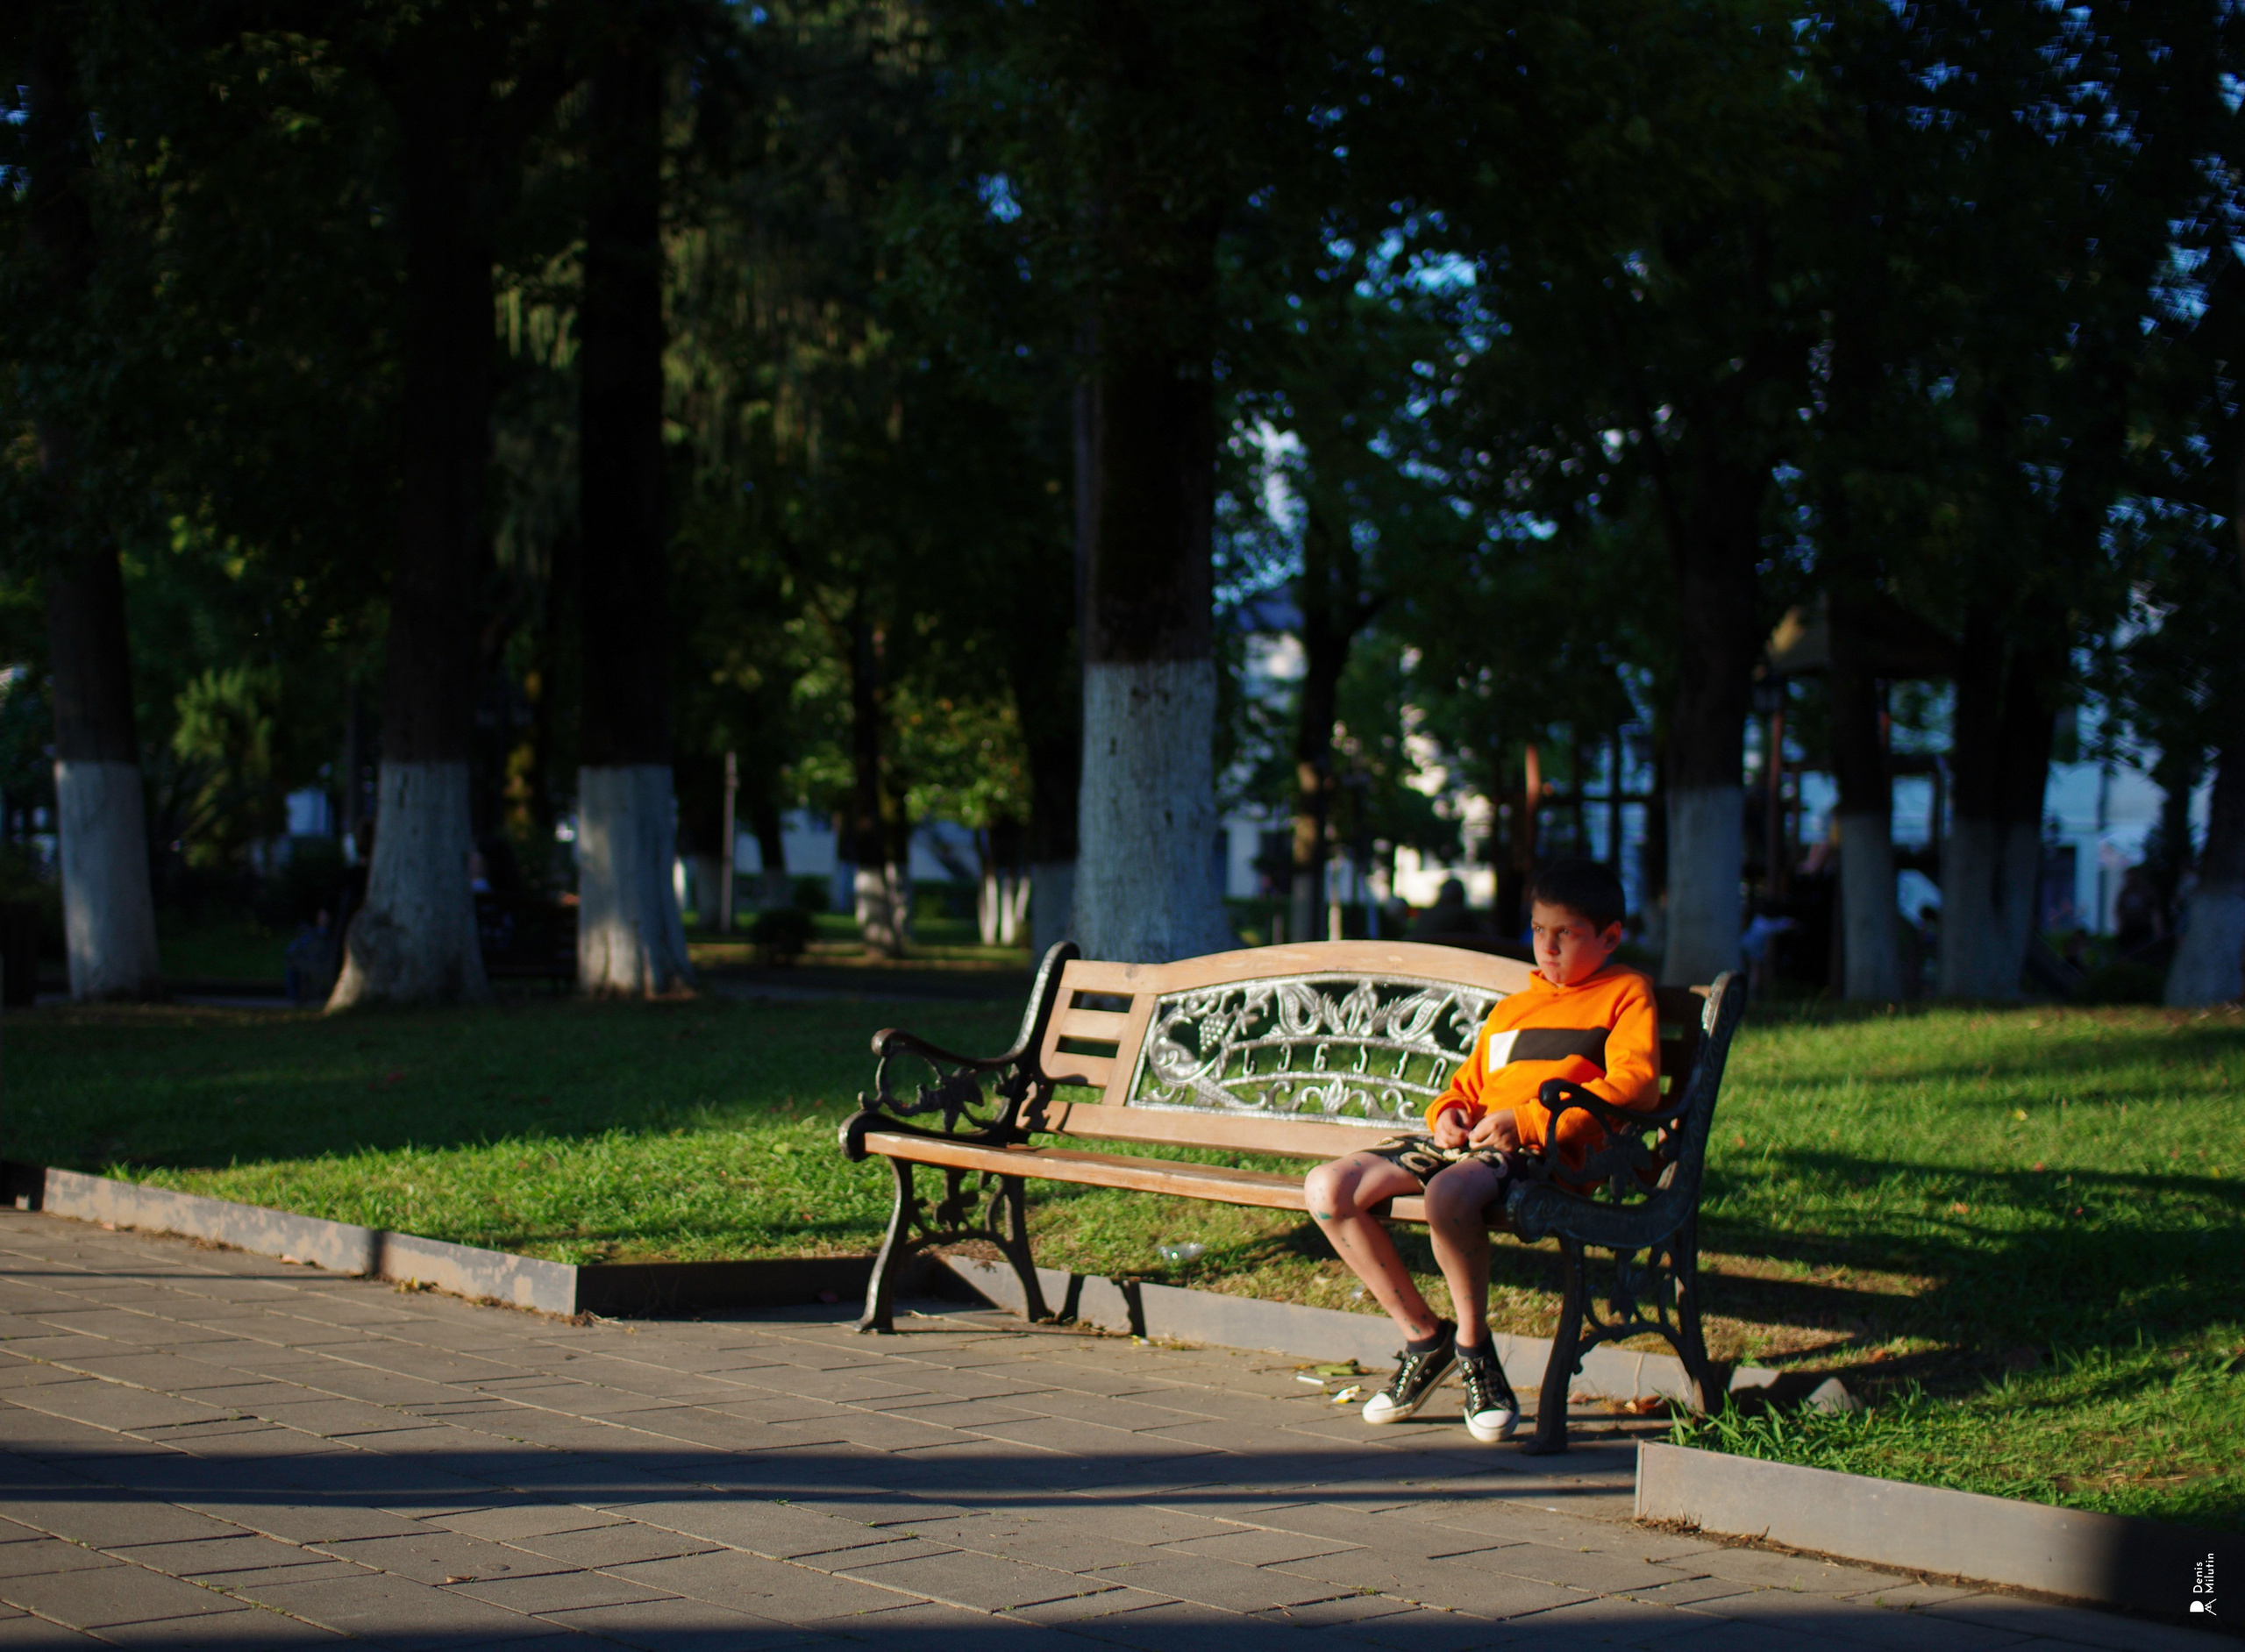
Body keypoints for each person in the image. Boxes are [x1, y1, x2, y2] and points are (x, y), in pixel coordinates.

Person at [1303, 857, 1658, 1443]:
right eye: (1539, 929)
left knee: (1449, 1193)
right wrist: (1447, 1115)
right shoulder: (1516, 1007)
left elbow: (1635, 1085)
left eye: (1566, 932)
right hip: (1472, 1145)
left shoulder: (1624, 994)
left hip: (1544, 1152)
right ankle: (1425, 1337)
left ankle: (1472, 1347)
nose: (1547, 946)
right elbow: (1466, 1085)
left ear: (1610, 936)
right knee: (1327, 1189)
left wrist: (1528, 1121)